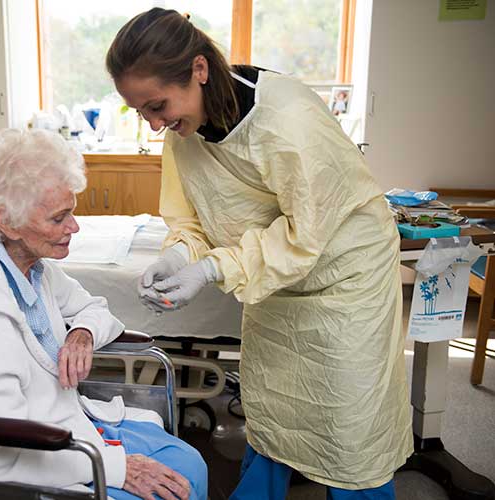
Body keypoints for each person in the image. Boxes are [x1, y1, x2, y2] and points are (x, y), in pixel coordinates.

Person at [106, 8, 412, 499]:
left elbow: (305, 233)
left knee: (351, 428)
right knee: (273, 412)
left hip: (344, 282)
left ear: (199, 70)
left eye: (157, 106)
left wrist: (214, 266)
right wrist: (180, 255)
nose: (155, 124)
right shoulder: (183, 131)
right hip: (275, 281)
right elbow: (193, 219)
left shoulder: (288, 119)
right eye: (142, 112)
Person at [0, 128, 207, 500]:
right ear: (7, 221)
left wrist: (82, 334)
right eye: (59, 218)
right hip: (6, 468)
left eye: (72, 213)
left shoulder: (25, 266)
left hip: (59, 426)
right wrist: (119, 467)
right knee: (176, 490)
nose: (74, 227)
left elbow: (94, 307)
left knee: (190, 464)